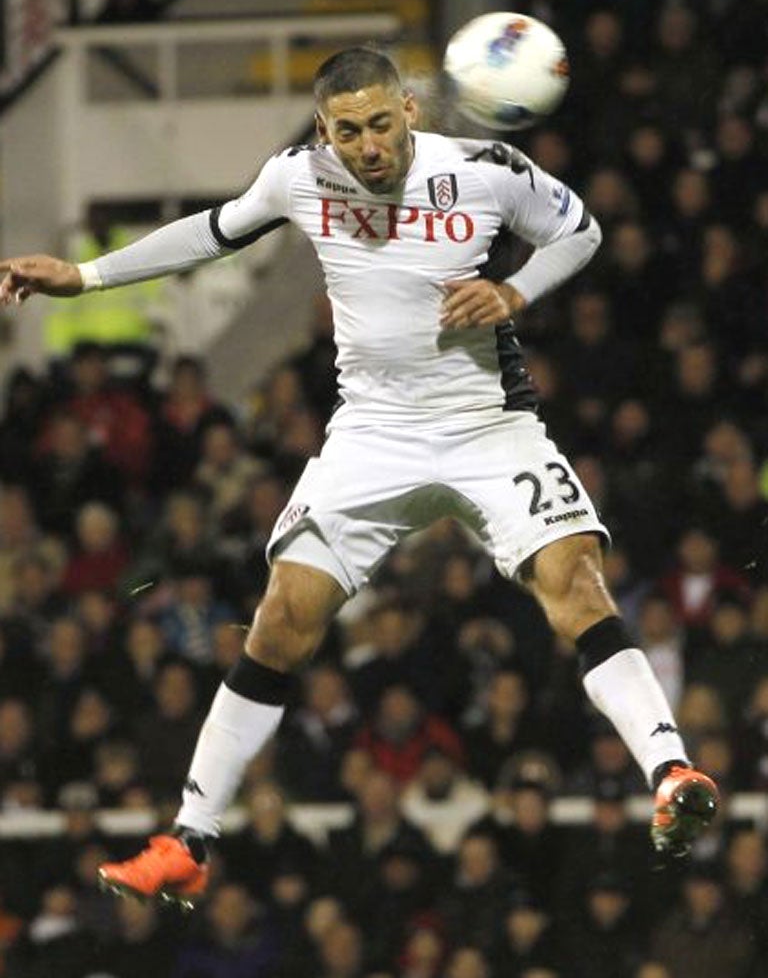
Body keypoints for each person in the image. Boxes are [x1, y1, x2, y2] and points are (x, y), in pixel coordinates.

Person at [0, 47, 718, 908]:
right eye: (349, 131)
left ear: (409, 110)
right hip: (371, 433)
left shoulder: (483, 169)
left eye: (381, 123)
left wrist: (516, 294)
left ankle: (671, 771)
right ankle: (189, 840)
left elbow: (581, 232)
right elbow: (215, 230)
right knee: (282, 620)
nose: (368, 145)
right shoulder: (300, 177)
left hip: (487, 424)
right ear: (323, 130)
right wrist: (85, 276)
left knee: (574, 581)